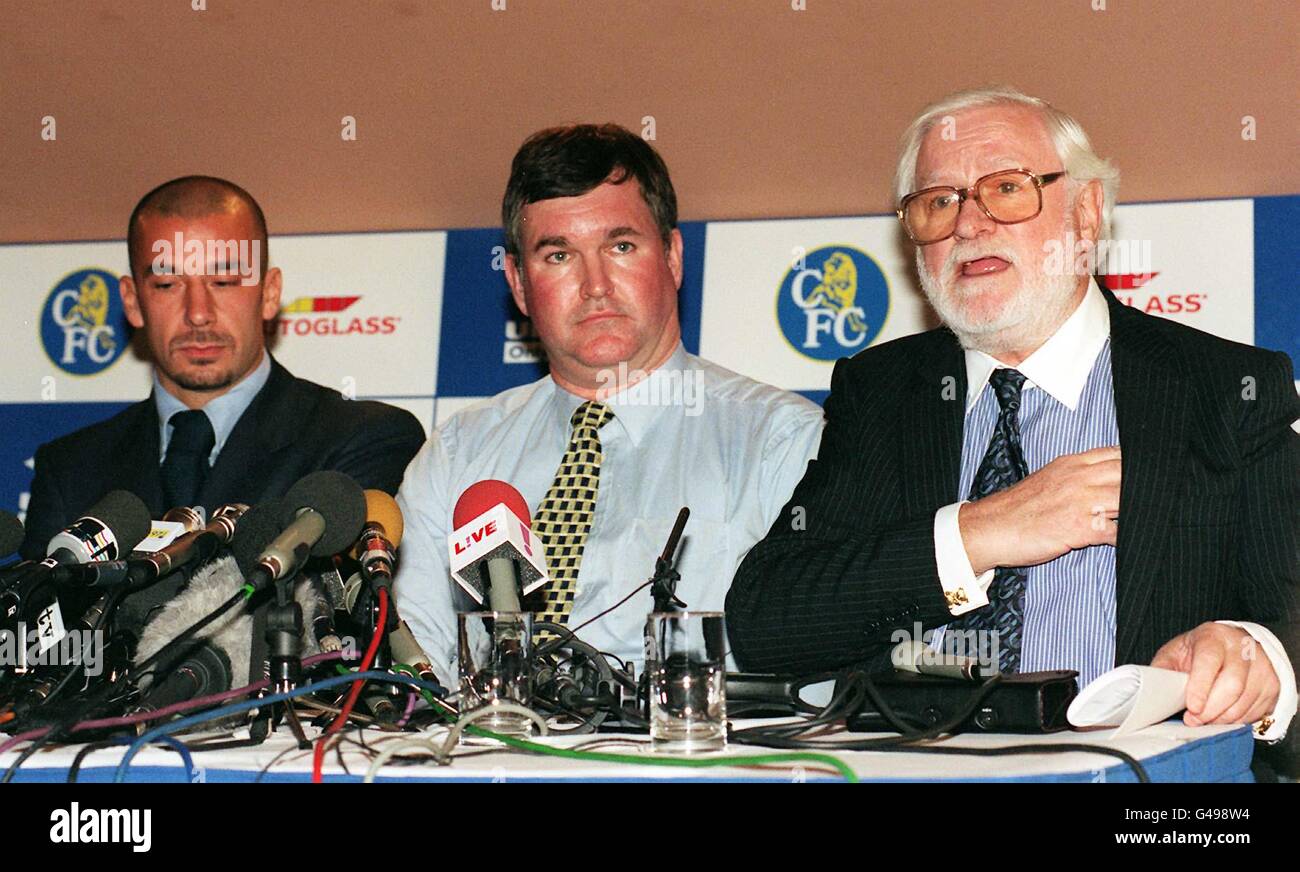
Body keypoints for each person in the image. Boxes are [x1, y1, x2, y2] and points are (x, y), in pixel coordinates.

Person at [727, 87, 1298, 754]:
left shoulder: (1224, 389)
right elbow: (769, 621)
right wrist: (980, 534)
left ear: (1086, 211)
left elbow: (1289, 608)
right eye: (939, 201)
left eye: (1006, 188)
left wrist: (1252, 654)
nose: (969, 225)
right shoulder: (883, 393)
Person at [394, 125, 824, 687]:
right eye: (558, 255)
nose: (595, 284)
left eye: (621, 247)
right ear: (519, 284)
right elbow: (411, 661)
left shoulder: (781, 442)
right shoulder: (456, 454)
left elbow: (810, 684)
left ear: (671, 256)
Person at [22, 176, 425, 626]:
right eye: (167, 284)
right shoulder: (70, 467)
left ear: (269, 293)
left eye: (225, 280)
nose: (198, 313)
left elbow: (336, 622)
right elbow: (43, 641)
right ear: (133, 302)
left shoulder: (363, 438)